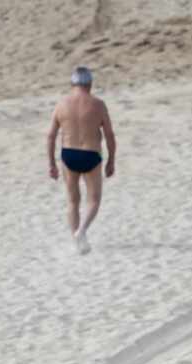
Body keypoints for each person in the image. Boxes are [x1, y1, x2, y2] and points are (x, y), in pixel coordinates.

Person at [46, 66, 117, 254]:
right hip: (91, 154)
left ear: (72, 84)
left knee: (72, 201)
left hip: (69, 154)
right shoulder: (98, 105)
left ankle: (76, 240)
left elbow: (51, 136)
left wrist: (51, 164)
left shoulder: (61, 104)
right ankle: (82, 230)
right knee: (93, 200)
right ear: (90, 84)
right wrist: (111, 161)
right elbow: (109, 135)